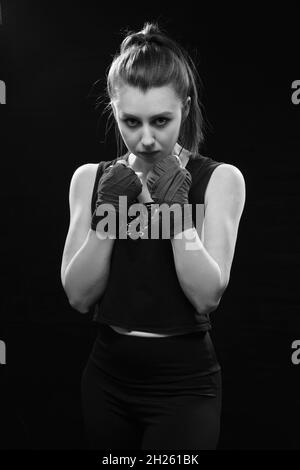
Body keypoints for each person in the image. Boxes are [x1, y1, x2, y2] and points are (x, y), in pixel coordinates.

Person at [61, 21, 246, 450]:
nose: (146, 139)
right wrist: (108, 216)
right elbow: (78, 296)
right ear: (113, 110)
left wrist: (178, 216)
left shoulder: (219, 180)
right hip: (107, 379)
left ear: (185, 105)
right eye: (131, 121)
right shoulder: (90, 179)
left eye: (161, 121)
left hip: (184, 386)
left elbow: (207, 297)